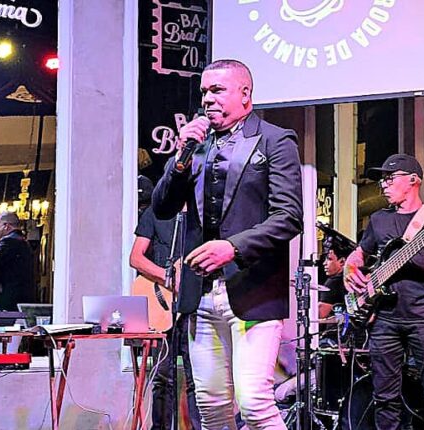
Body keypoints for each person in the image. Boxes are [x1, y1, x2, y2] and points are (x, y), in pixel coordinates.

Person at [152, 59, 303, 429]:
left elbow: (288, 216)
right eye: (204, 91)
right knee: (212, 408)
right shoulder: (196, 147)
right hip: (201, 295)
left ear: (245, 94)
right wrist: (180, 157)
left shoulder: (275, 140)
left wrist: (233, 247)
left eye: (217, 90)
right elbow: (162, 207)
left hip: (253, 291)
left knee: (254, 404)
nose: (207, 99)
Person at [344, 153, 424, 430]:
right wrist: (350, 271)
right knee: (384, 399)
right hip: (384, 318)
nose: (383, 184)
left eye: (390, 178)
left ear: (413, 180)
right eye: (382, 180)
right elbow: (358, 255)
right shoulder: (378, 220)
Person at [129, 175, 201, 430]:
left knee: (197, 378)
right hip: (162, 304)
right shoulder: (155, 213)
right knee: (162, 376)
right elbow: (136, 258)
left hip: (193, 306)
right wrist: (166, 277)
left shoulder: (201, 219)